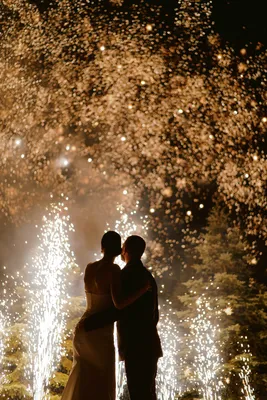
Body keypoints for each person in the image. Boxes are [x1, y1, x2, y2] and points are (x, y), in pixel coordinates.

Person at [61, 231, 149, 400]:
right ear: (119, 250)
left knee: (83, 376)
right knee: (101, 379)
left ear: (102, 247)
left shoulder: (89, 267)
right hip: (100, 332)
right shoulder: (114, 270)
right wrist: (142, 290)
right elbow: (119, 303)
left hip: (83, 327)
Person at [84, 235, 163, 400]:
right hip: (149, 344)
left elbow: (120, 308)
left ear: (125, 250)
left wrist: (91, 322)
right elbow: (155, 314)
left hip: (136, 345)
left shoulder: (125, 275)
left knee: (138, 393)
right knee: (148, 393)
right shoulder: (148, 276)